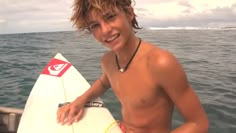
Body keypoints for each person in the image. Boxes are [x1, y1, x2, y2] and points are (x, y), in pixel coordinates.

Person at [57, 0, 209, 132]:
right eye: (95, 25)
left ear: (129, 14)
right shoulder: (108, 61)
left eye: (110, 17)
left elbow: (198, 123)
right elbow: (104, 82)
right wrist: (79, 101)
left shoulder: (160, 63)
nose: (105, 30)